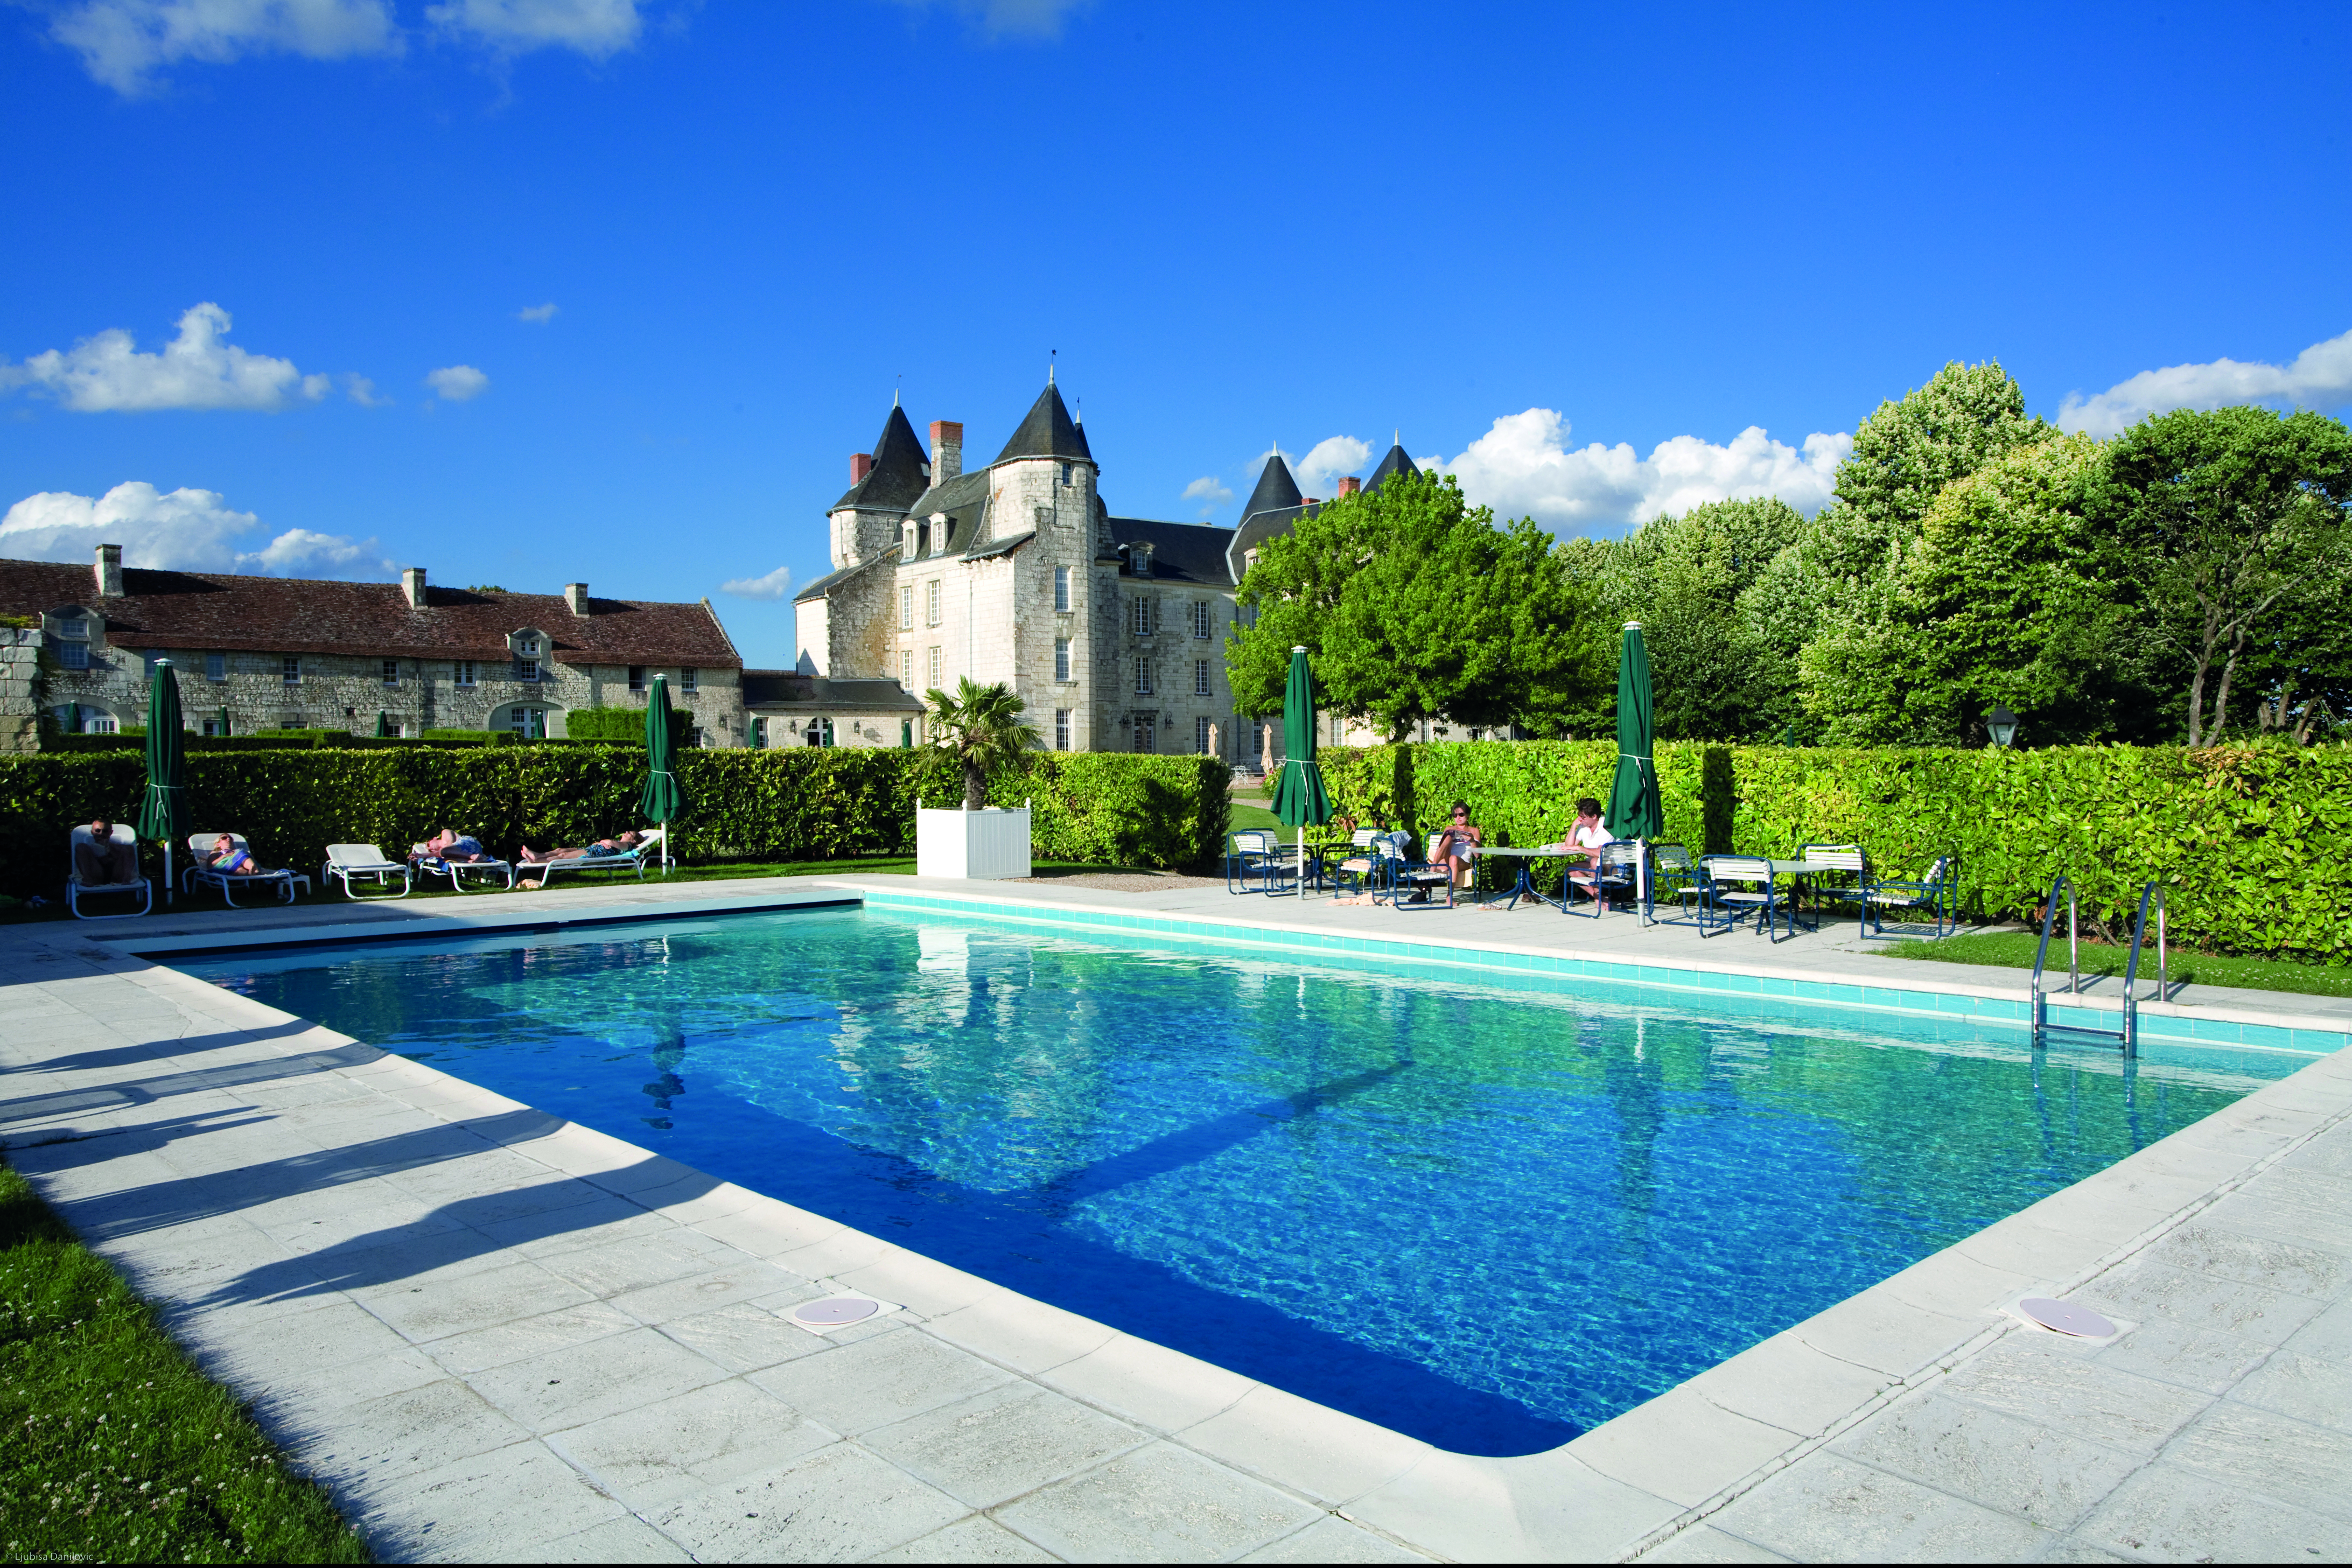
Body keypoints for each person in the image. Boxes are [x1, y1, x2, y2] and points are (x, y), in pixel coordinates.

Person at [1429, 800, 1483, 892]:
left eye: (1461, 815)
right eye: (1455, 815)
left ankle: (1450, 895)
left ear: (1468, 815)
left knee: (1453, 859)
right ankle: (1433, 866)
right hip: (1445, 861)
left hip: (1462, 863)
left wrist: (1472, 841)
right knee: (1448, 837)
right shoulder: (1449, 828)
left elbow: (1477, 855)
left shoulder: (1474, 831)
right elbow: (1441, 847)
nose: (1458, 818)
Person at [74, 817, 139, 886]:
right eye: (97, 831)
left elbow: (125, 856)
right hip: (96, 875)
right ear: (92, 832)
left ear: (111, 833)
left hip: (117, 875)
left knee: (129, 848)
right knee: (80, 847)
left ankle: (126, 879)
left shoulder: (117, 848)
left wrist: (110, 848)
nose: (101, 834)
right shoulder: (88, 849)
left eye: (105, 831)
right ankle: (88, 880)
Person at [519, 830, 643, 865]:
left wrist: (603, 841)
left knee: (562, 856)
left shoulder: (627, 845)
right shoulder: (620, 842)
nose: (626, 832)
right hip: (591, 848)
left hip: (593, 853)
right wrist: (602, 842)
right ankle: (537, 856)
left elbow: (609, 842)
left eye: (630, 834)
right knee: (560, 850)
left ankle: (536, 859)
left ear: (633, 841)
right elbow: (605, 843)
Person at [206, 834, 275, 877]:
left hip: (235, 869)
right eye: (224, 838)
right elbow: (212, 865)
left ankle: (250, 873)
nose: (228, 839)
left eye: (231, 838)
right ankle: (257, 871)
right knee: (241, 852)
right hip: (222, 869)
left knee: (240, 869)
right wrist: (225, 856)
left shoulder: (237, 852)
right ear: (218, 844)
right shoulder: (215, 853)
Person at [412, 828, 491, 864]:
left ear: (435, 838)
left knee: (445, 853)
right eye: (430, 850)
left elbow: (450, 844)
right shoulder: (446, 853)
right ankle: (472, 861)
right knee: (448, 858)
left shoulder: (445, 832)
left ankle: (472, 857)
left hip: (469, 844)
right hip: (473, 855)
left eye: (428, 844)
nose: (430, 848)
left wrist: (427, 854)